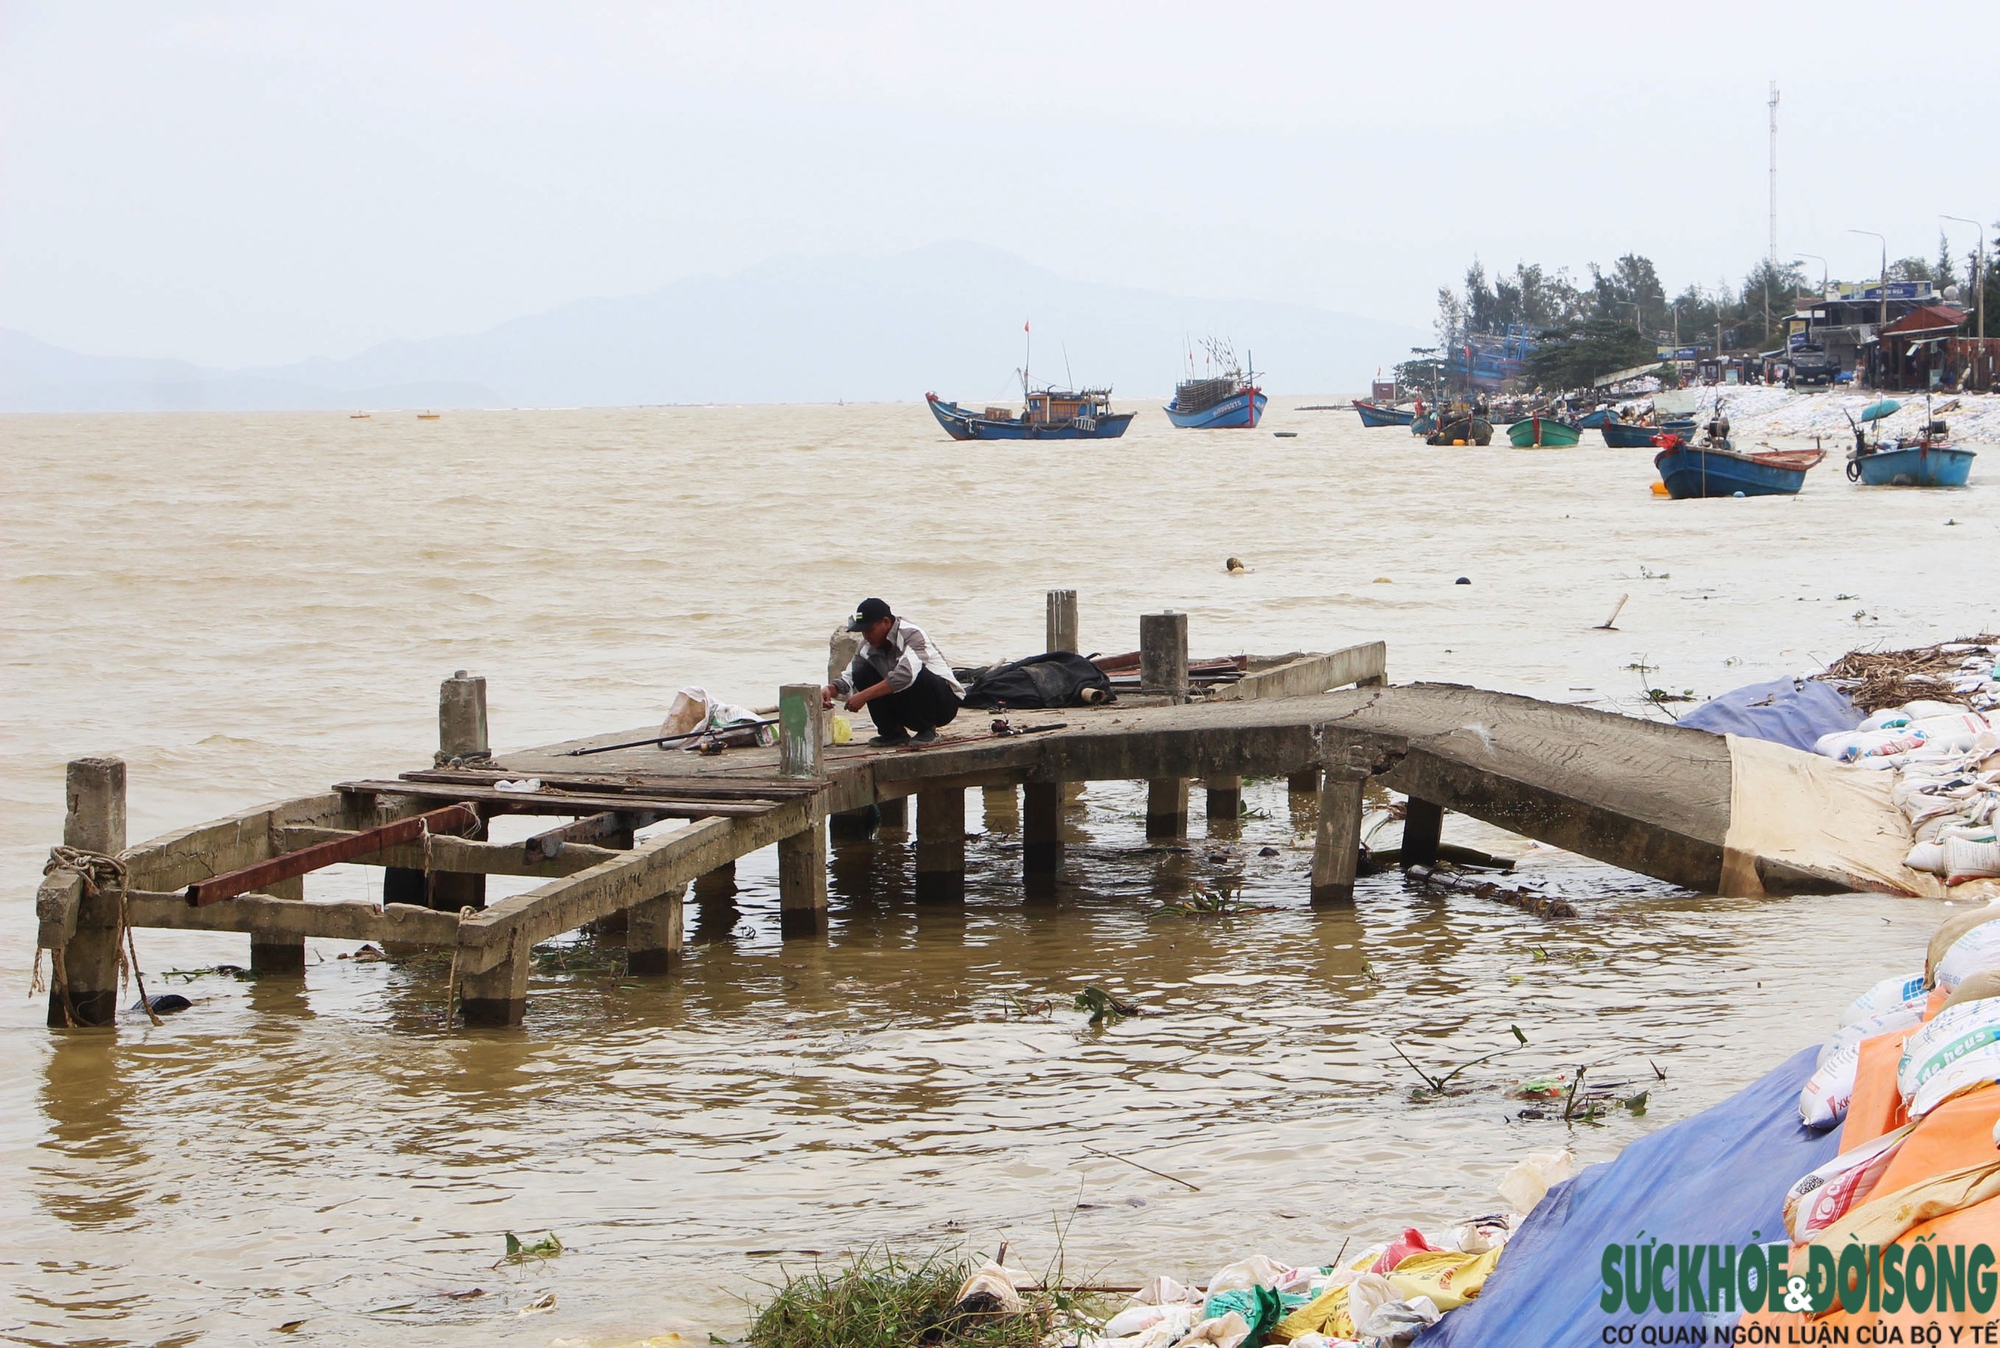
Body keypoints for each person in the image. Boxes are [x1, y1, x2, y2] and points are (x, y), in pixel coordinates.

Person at [823, 598, 964, 746]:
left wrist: (864, 696)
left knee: (916, 672)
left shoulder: (912, 635)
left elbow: (905, 675)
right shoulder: (866, 646)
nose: (866, 636)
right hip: (906, 704)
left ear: (886, 622)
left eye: (870, 630)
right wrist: (829, 690)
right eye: (863, 631)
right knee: (862, 672)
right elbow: (850, 678)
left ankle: (927, 730)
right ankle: (893, 732)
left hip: (942, 704)